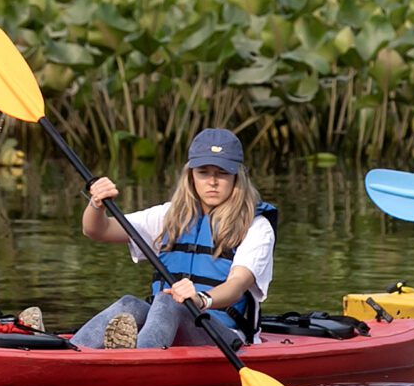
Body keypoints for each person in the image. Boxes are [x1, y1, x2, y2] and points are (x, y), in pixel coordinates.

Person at [72, 127, 274, 350]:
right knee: (129, 304)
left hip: (223, 335)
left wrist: (200, 299)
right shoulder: (169, 216)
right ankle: (71, 353)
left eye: (223, 173)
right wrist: (96, 204)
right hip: (164, 325)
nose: (213, 181)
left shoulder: (256, 227)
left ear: (238, 176)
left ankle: (140, 360)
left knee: (169, 301)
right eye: (204, 172)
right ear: (191, 175)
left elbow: (237, 285)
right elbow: (98, 230)